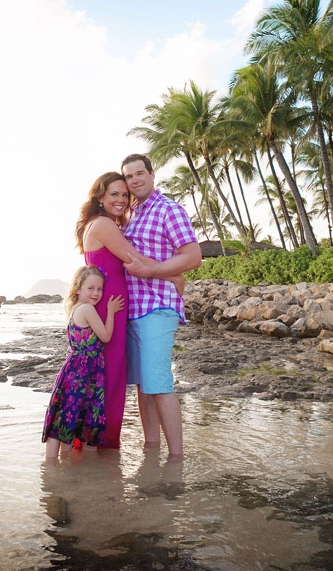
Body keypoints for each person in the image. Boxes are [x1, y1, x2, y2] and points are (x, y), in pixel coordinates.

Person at [76, 172, 185, 449]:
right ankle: (101, 445)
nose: (122, 200)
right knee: (109, 379)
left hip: (115, 310)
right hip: (108, 312)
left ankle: (97, 450)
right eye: (114, 194)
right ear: (100, 197)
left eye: (125, 195)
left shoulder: (105, 224)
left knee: (109, 378)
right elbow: (132, 257)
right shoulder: (103, 225)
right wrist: (172, 273)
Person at [120, 153, 202, 458]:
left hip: (157, 307)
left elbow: (193, 257)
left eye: (140, 173)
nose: (135, 180)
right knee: (144, 385)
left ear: (153, 175)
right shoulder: (131, 214)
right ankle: (151, 449)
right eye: (129, 176)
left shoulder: (169, 210)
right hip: (133, 309)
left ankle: (176, 459)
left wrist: (154, 271)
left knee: (158, 382)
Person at [42, 266, 124, 458]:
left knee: (67, 415)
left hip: (76, 370)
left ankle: (59, 466)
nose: (96, 293)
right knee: (78, 416)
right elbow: (105, 336)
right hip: (83, 372)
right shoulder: (87, 309)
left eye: (99, 289)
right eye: (91, 288)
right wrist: (111, 311)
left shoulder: (76, 309)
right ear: (78, 288)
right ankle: (56, 467)